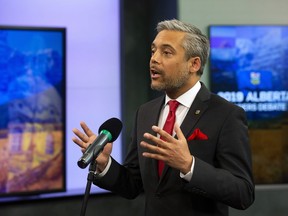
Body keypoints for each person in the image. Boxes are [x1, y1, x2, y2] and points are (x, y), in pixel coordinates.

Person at [72, 19, 255, 216]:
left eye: (166, 52)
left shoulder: (226, 114)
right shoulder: (145, 112)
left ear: (194, 64)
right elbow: (133, 185)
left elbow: (243, 193)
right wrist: (105, 163)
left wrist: (189, 166)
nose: (154, 59)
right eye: (153, 51)